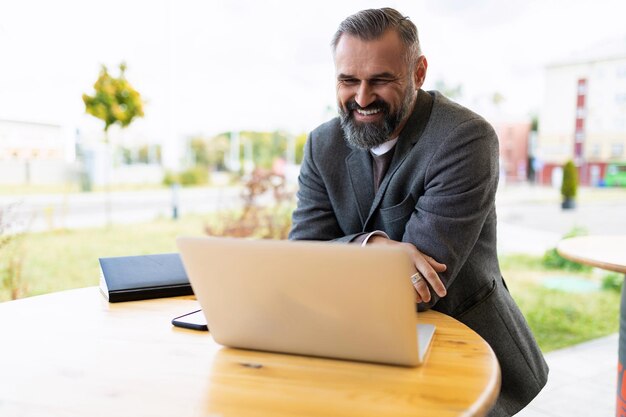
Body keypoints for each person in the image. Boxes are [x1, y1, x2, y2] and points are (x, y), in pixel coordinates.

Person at [289, 7, 548, 417]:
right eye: (347, 80)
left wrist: (335, 260)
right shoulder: (323, 144)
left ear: (419, 72)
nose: (361, 97)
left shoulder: (466, 138)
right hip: (359, 351)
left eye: (380, 80)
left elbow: (417, 287)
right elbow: (301, 254)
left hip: (466, 350)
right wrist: (369, 246)